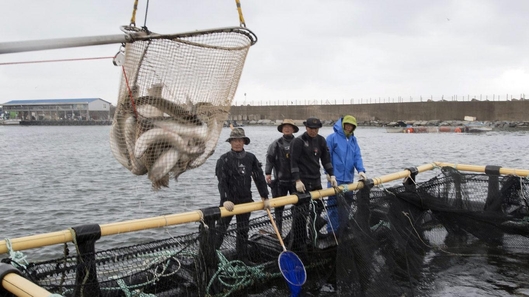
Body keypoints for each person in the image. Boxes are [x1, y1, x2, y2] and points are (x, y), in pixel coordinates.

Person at [214, 127, 270, 264]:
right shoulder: (224, 159)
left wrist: (265, 196)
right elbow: (222, 182)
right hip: (228, 202)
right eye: (234, 141)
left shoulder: (250, 158)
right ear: (230, 142)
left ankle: (242, 257)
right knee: (220, 229)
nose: (237, 143)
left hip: (246, 200)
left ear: (244, 142)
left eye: (240, 140)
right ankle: (211, 256)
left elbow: (259, 178)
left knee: (243, 230)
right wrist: (226, 199)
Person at [290, 117, 337, 246]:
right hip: (303, 181)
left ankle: (313, 231)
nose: (313, 131)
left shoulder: (321, 141)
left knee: (318, 206)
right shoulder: (298, 141)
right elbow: (293, 162)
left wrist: (331, 175)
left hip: (315, 179)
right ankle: (300, 238)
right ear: (306, 128)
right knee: (301, 211)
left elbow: (326, 160)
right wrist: (297, 180)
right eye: (311, 129)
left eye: (316, 129)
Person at [325, 115, 367, 234]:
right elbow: (326, 157)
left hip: (348, 179)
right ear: (342, 125)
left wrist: (361, 170)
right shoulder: (332, 138)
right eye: (347, 125)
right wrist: (328, 173)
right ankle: (332, 230)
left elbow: (357, 156)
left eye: (351, 126)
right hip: (334, 179)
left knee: (347, 204)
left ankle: (343, 228)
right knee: (332, 205)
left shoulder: (354, 140)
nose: (349, 128)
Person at [264, 119, 299, 236]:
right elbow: (269, 159)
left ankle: (297, 230)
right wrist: (268, 173)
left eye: (289, 127)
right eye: (285, 127)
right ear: (282, 129)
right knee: (279, 209)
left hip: (295, 181)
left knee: (298, 207)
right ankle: (278, 230)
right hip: (280, 181)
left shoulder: (299, 142)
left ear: (293, 129)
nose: (287, 129)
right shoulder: (276, 144)